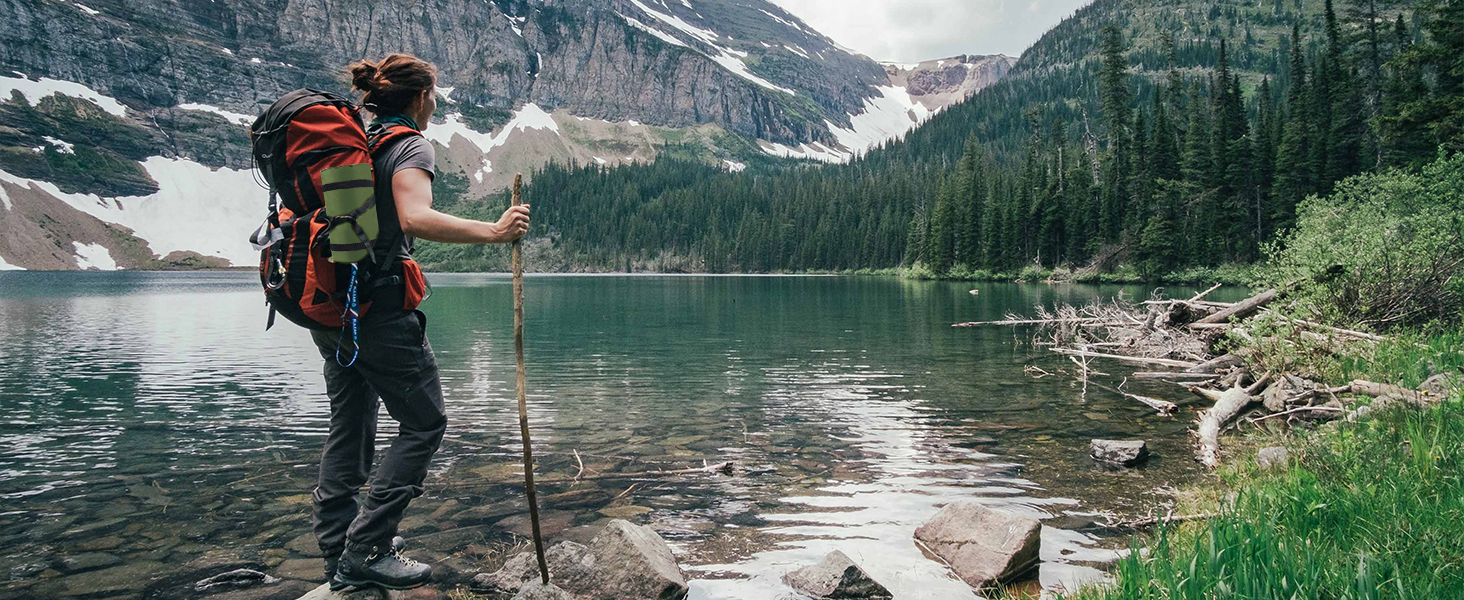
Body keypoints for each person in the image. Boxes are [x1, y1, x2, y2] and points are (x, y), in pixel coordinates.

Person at [312, 53, 532, 591]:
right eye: (433, 95)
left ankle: (339, 549)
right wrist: (494, 232)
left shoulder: (357, 141)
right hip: (382, 314)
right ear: (419, 98)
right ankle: (365, 550)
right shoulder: (409, 144)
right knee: (425, 423)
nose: (435, 104)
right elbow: (414, 217)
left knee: (351, 427)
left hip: (334, 308)